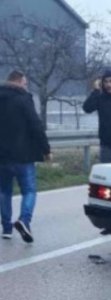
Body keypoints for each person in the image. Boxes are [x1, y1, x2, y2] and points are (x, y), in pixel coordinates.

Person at [0, 70, 52, 243]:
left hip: (2, 156)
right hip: (23, 155)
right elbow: (35, 124)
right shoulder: (23, 98)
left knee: (4, 191)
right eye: (25, 83)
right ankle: (24, 220)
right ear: (18, 81)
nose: (26, 86)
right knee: (29, 190)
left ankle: (6, 228)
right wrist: (46, 148)